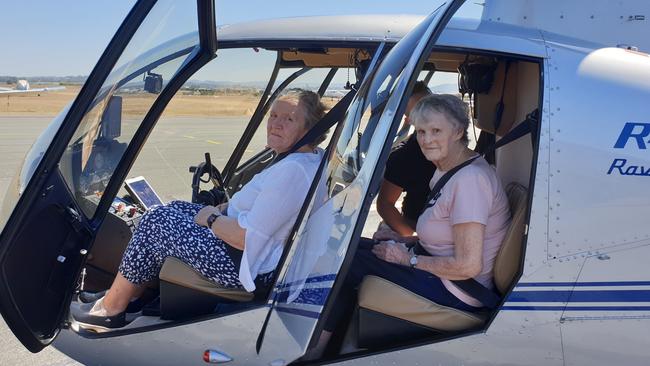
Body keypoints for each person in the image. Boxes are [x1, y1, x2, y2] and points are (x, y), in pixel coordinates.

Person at [72, 90, 327, 330]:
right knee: (173, 208)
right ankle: (132, 296)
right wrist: (227, 207)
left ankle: (111, 309)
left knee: (157, 220)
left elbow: (245, 237)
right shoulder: (309, 158)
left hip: (243, 264)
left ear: (309, 129)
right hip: (251, 254)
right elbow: (271, 209)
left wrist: (212, 218)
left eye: (289, 119)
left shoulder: (293, 170)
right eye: (273, 115)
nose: (275, 124)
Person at [310, 94, 511, 357]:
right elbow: (448, 238)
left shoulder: (470, 181)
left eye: (436, 130)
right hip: (441, 273)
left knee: (344, 263)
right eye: (421, 131)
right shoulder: (449, 169)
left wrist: (408, 260)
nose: (426, 140)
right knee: (350, 247)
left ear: (458, 131)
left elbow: (468, 266)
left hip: (458, 290)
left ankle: (315, 353)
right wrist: (406, 242)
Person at [376, 81, 434, 236]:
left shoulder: (452, 145)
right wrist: (411, 238)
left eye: (429, 106)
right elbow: (384, 204)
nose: (428, 114)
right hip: (418, 226)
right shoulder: (404, 156)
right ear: (408, 119)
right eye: (419, 111)